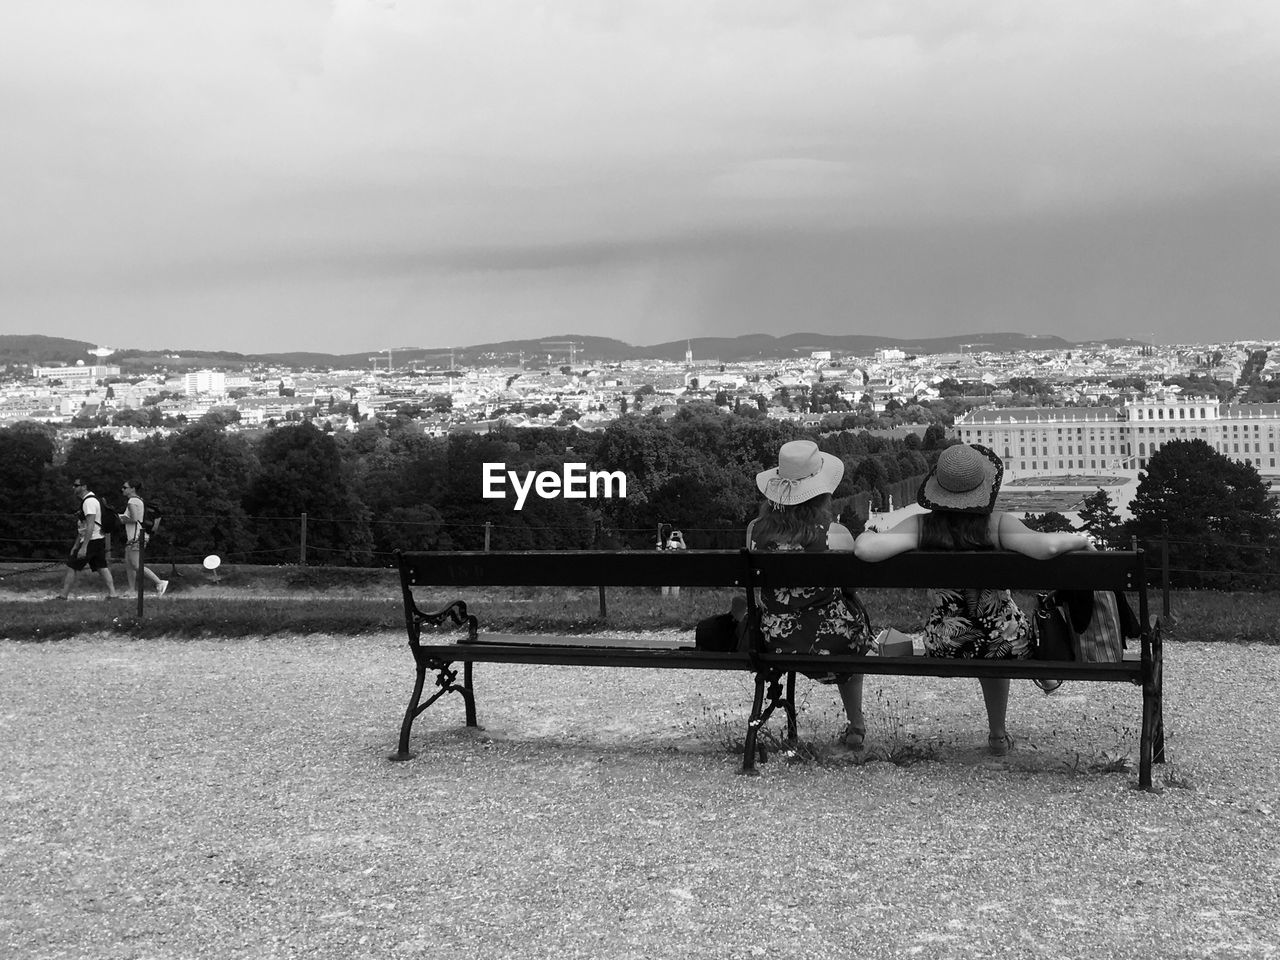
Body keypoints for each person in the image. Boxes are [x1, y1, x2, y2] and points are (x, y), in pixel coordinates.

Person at [853, 443, 1093, 755]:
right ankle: (998, 733)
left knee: (985, 631)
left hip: (944, 642)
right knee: (1000, 628)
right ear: (983, 488)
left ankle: (1008, 717)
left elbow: (864, 550)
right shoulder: (998, 525)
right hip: (1004, 643)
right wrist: (1080, 539)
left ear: (938, 488)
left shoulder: (921, 526)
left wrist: (866, 534)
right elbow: (1045, 548)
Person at [749, 440, 873, 751]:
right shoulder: (835, 535)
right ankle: (855, 724)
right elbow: (850, 589)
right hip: (834, 640)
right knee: (853, 621)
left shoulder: (755, 531)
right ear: (821, 492)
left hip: (774, 639)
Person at [55, 477, 118, 600]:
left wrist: (83, 547)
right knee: (101, 567)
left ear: (84, 487)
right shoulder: (90, 500)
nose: (74, 487)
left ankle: (63, 595)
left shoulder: (89, 502)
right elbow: (83, 526)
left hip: (92, 540)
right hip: (97, 538)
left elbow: (90, 525)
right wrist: (75, 545)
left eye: (76, 485)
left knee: (72, 566)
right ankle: (113, 594)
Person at [119, 480, 169, 597]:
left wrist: (118, 518)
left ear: (132, 489)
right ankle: (131, 590)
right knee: (129, 564)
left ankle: (160, 582)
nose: (123, 489)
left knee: (136, 565)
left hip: (136, 537)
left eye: (125, 487)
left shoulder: (132, 501)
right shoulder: (138, 500)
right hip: (135, 536)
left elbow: (134, 518)